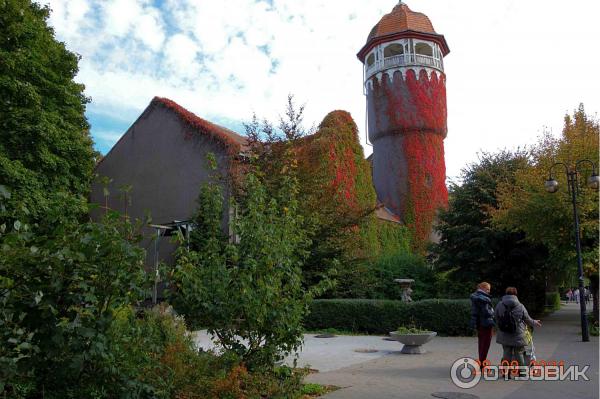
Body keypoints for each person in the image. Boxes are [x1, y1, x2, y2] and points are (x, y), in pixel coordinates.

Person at [470, 282, 495, 367]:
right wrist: (492, 312)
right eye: (488, 289)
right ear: (483, 288)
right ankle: (482, 363)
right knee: (486, 344)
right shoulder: (483, 298)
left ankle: (481, 361)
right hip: (486, 323)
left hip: (479, 323)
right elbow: (486, 312)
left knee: (481, 343)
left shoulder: (475, 297)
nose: (489, 291)